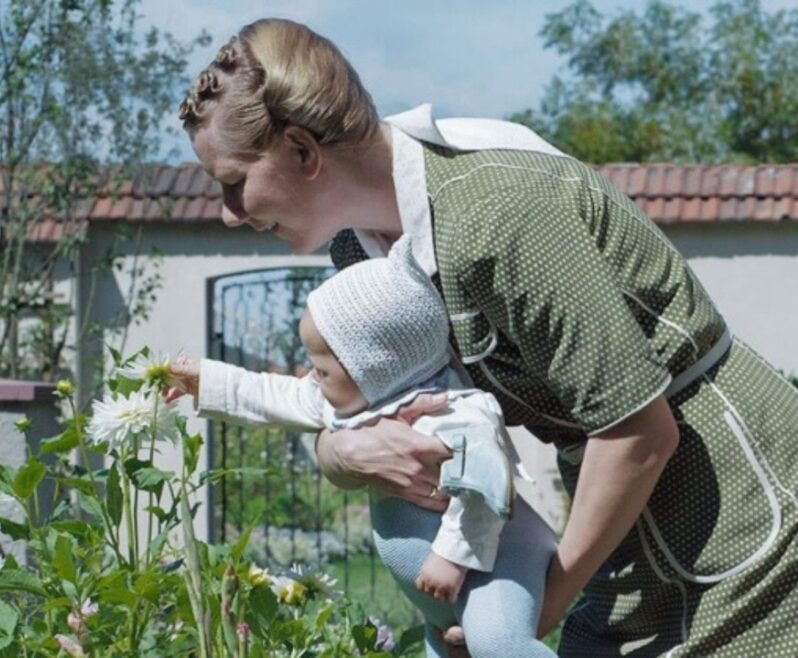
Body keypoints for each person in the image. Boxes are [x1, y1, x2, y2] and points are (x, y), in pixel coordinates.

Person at [178, 17, 798, 657]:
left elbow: (639, 433)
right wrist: (344, 452)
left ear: (301, 150)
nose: (229, 214)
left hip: (742, 508)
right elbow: (354, 412)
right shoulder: (359, 258)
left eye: (234, 184)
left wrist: (526, 615)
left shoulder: (495, 214)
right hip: (625, 520)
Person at [168, 237, 559, 657]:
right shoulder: (361, 399)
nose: (311, 378)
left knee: (500, 642)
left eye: (321, 369)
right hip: (446, 593)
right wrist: (205, 381)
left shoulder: (455, 412)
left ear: (375, 366)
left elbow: (486, 484)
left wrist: (452, 557)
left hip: (494, 563)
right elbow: (275, 395)